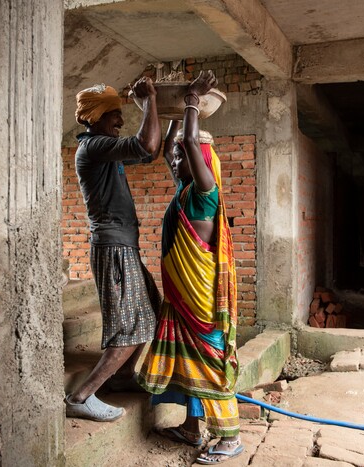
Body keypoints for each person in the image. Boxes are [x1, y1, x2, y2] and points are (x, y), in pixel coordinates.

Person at [137, 70, 244, 464]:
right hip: (181, 297)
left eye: (186, 155)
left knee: (210, 364)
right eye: (181, 155)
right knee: (186, 362)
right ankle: (191, 427)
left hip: (199, 302)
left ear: (201, 160)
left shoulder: (204, 194)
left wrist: (192, 101)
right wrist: (165, 107)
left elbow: (185, 146)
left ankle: (230, 438)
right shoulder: (183, 189)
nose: (177, 158)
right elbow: (170, 148)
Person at [64, 77, 162, 422]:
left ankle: (122, 376)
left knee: (149, 309)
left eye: (121, 114)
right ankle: (80, 396)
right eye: (113, 115)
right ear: (94, 117)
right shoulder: (93, 147)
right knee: (128, 327)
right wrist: (149, 100)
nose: (120, 121)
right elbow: (146, 145)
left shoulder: (105, 148)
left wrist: (169, 112)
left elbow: (151, 152)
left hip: (124, 247)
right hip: (113, 248)